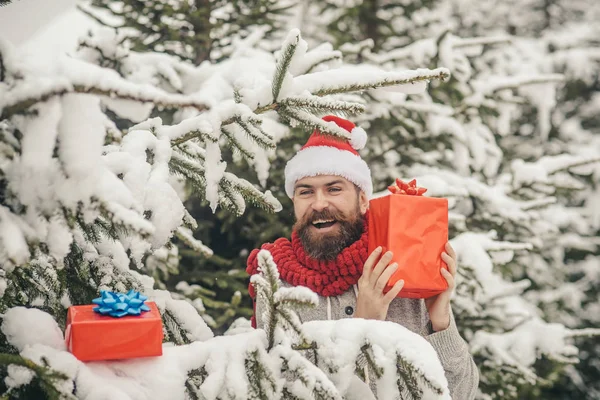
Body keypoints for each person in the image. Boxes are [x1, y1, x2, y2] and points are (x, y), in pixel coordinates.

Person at [246, 115, 479, 399]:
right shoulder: (276, 282)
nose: (319, 204)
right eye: (306, 192)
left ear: (363, 199)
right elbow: (277, 391)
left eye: (334, 189)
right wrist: (362, 325)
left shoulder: (399, 268)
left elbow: (460, 393)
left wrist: (440, 321)